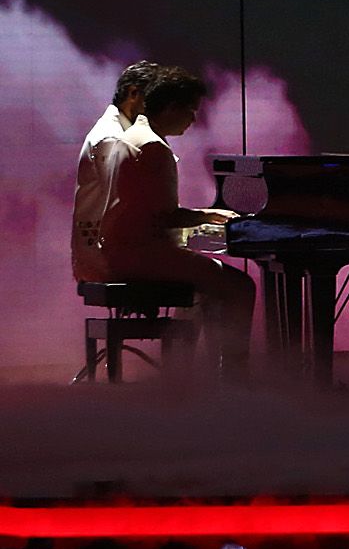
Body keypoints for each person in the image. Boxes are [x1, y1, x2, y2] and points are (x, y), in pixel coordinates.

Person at [99, 66, 254, 377]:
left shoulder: (129, 139)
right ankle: (235, 376)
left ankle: (187, 372)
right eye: (190, 110)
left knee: (203, 282)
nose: (194, 120)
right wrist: (212, 215)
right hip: (142, 255)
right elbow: (166, 217)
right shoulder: (154, 149)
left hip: (120, 250)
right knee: (241, 286)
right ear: (171, 108)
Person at [71, 60, 159, 282]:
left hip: (109, 252)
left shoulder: (122, 133)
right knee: (221, 280)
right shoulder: (112, 138)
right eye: (158, 99)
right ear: (133, 93)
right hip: (105, 259)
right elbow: (121, 206)